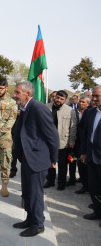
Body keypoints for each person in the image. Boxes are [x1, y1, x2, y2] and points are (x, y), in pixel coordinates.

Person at [12, 81, 59, 237]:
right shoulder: (24, 108)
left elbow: (52, 135)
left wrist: (54, 158)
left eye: (18, 92)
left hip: (37, 159)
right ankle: (30, 219)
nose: (14, 95)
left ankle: (38, 224)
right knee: (26, 192)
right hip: (26, 158)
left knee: (35, 194)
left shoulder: (38, 108)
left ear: (28, 94)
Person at [43, 90, 77, 190]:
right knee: (50, 163)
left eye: (62, 99)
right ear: (55, 97)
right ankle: (50, 181)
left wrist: (72, 140)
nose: (58, 100)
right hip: (48, 141)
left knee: (62, 164)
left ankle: (61, 183)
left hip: (63, 141)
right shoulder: (46, 107)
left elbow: (73, 127)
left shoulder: (70, 110)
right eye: (57, 97)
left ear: (65, 100)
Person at [81, 86, 101, 225]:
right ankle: (97, 211)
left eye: (97, 96)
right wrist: (83, 152)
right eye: (93, 96)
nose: (93, 99)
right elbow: (85, 135)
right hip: (91, 156)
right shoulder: (90, 112)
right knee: (94, 187)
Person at [73, 96, 91, 194]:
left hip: (92, 145)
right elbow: (80, 127)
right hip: (81, 143)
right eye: (80, 102)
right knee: (81, 165)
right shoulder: (86, 113)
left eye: (83, 102)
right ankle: (85, 185)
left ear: (88, 104)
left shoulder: (90, 112)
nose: (81, 103)